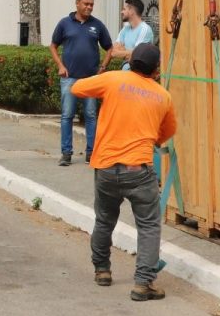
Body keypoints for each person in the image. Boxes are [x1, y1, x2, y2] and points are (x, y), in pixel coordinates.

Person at [72, 42, 176, 302]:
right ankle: (143, 284)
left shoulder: (113, 80)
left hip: (106, 167)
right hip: (139, 170)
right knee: (149, 226)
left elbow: (77, 87)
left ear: (132, 63)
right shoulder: (162, 95)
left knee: (105, 220)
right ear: (156, 70)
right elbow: (166, 133)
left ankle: (102, 270)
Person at [49, 0, 112, 166]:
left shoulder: (97, 25)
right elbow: (53, 46)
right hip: (69, 79)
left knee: (91, 116)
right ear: (77, 3)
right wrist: (60, 66)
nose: (89, 7)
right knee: (67, 115)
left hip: (91, 80)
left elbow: (109, 48)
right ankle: (66, 154)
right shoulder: (64, 24)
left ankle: (91, 153)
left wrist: (103, 68)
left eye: (91, 4)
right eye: (86, 4)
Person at [101, 0, 154, 72]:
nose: (121, 12)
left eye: (124, 9)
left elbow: (137, 56)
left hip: (138, 75)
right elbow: (113, 52)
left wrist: (123, 50)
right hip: (126, 74)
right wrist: (129, 52)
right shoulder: (125, 29)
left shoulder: (145, 29)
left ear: (131, 11)